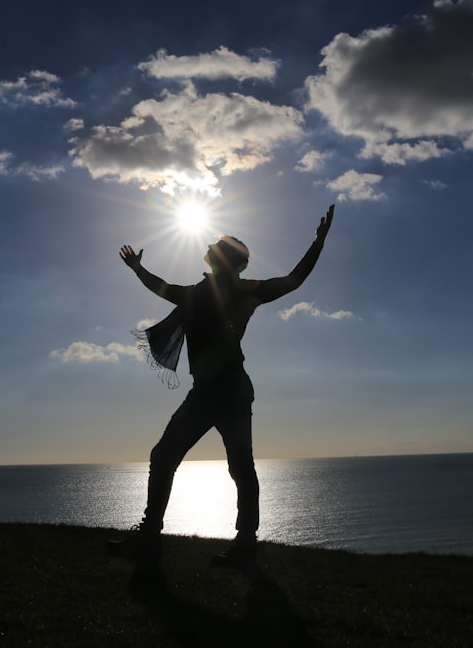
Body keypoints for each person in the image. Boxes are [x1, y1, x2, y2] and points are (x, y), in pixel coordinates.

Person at [108, 204, 335, 567]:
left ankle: (231, 545)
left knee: (226, 465)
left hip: (226, 389)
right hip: (215, 390)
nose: (211, 246)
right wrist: (138, 270)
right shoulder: (203, 292)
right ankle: (171, 539)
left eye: (218, 245)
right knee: (199, 461)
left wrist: (317, 244)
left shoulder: (237, 292)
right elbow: (165, 289)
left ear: (225, 259)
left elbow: (294, 280)